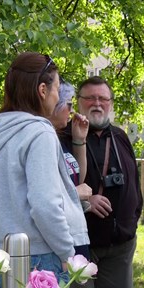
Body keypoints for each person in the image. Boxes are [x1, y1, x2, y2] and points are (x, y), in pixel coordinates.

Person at [0, 52, 89, 288]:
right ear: (42, 90)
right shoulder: (39, 131)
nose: (58, 97)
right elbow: (45, 205)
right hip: (37, 258)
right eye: (57, 88)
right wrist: (68, 253)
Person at [75, 76, 142, 288]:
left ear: (111, 103)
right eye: (90, 98)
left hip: (120, 241)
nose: (97, 103)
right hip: (82, 242)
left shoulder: (120, 136)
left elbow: (133, 179)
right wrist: (85, 200)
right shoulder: (64, 137)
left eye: (103, 98)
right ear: (78, 102)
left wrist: (132, 219)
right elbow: (58, 187)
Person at [49, 79, 92, 260]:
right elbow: (44, 197)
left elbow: (77, 178)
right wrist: (76, 193)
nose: (72, 111)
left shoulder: (56, 139)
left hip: (74, 233)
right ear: (55, 105)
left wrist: (79, 140)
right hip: (59, 238)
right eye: (69, 104)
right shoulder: (43, 140)